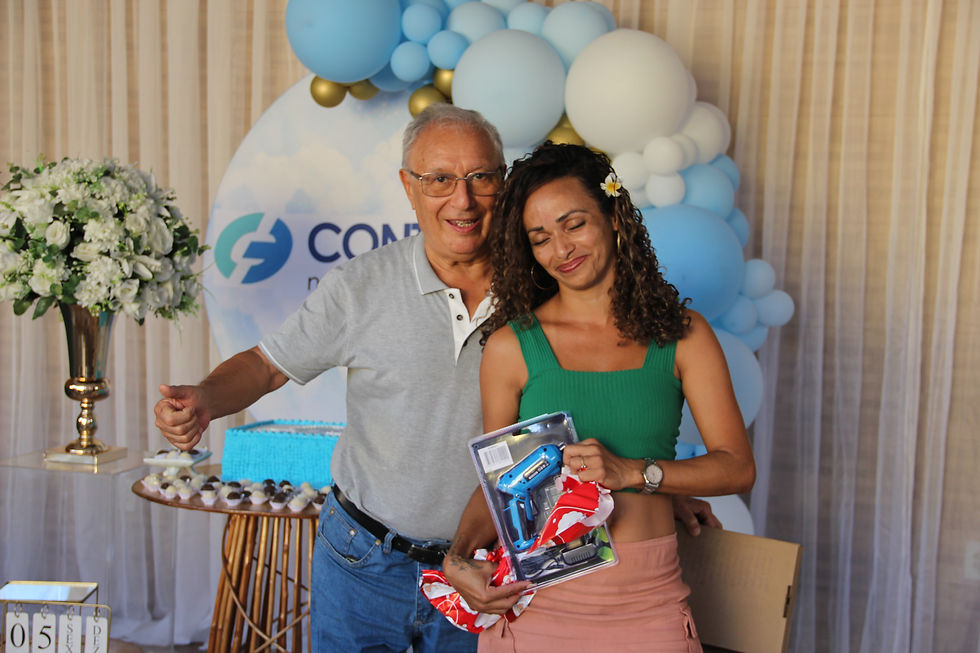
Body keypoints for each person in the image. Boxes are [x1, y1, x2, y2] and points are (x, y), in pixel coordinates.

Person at [154, 106, 719, 652]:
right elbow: (266, 364)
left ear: (504, 183)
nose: (462, 200)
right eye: (439, 179)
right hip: (363, 558)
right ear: (408, 186)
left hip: (488, 567)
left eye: (480, 178)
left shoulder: (553, 282)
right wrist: (206, 398)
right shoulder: (361, 286)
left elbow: (604, 402)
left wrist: (651, 489)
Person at [442, 142, 755, 652]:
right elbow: (498, 483)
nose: (561, 250)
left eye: (574, 224)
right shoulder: (511, 347)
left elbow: (737, 467)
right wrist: (457, 557)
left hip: (649, 605)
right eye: (540, 238)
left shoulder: (683, 334)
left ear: (613, 216)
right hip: (535, 606)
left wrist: (638, 473)